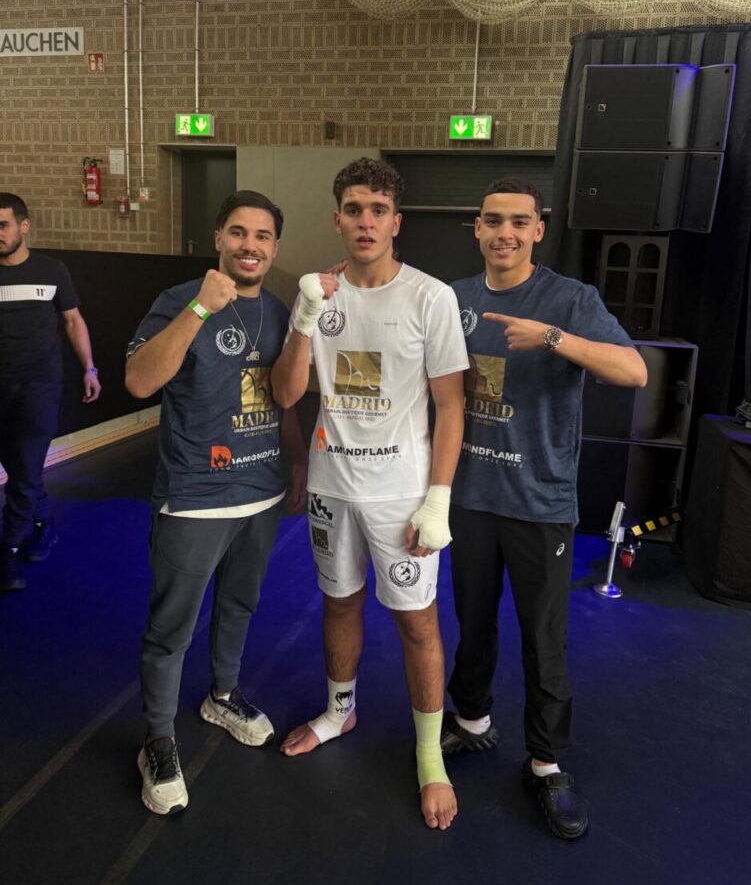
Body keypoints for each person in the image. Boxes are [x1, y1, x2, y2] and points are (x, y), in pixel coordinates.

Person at [441, 176, 648, 840]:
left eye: (518, 222)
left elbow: (635, 371)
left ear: (537, 229)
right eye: (493, 220)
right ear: (477, 227)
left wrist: (555, 338)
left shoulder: (569, 299)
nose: (504, 233)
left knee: (543, 637)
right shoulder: (455, 298)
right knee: (472, 622)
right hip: (470, 497)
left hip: (540, 502)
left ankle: (546, 763)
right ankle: (471, 720)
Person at [271, 157, 468, 831]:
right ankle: (339, 711)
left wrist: (438, 500)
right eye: (354, 209)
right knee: (339, 603)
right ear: (337, 218)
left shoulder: (430, 297)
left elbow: (452, 406)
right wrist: (305, 315)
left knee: (417, 622)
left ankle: (429, 755)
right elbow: (287, 394)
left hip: (400, 495)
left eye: (378, 210)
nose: (365, 222)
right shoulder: (318, 294)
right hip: (333, 487)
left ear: (396, 222)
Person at [125, 189, 307, 816]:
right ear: (218, 239)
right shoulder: (179, 300)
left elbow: (281, 398)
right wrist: (201, 308)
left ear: (274, 247)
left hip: (261, 492)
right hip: (195, 496)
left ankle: (222, 696)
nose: (249, 245)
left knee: (239, 604)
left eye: (262, 236)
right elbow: (140, 380)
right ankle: (157, 740)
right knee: (170, 628)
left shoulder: (279, 312)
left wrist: (296, 462)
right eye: (238, 233)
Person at [0, 193, 101, 592]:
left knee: (25, 467)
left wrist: (89, 368)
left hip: (40, 385)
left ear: (24, 226)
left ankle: (8, 552)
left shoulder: (51, 270)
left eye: (3, 225)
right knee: (20, 468)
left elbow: (74, 321)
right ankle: (43, 523)